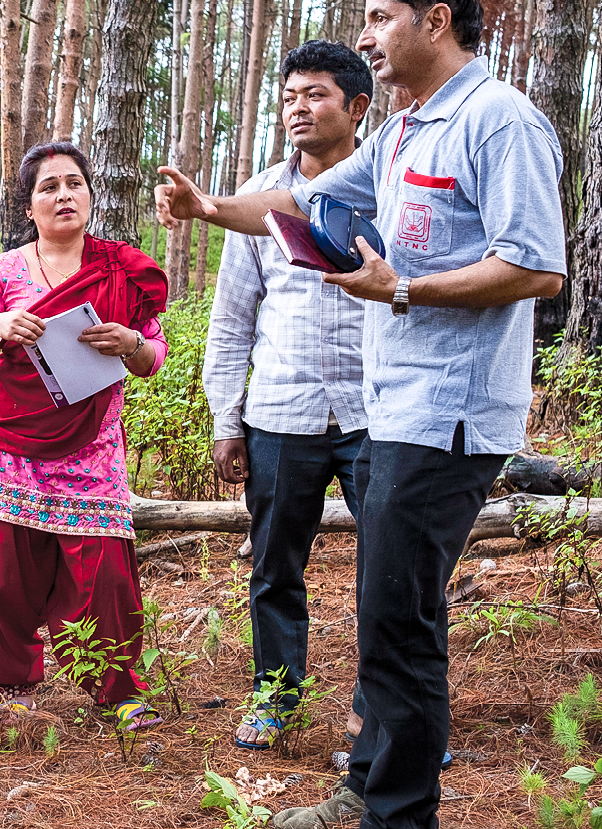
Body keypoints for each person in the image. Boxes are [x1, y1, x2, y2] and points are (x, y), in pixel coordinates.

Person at [157, 0, 565, 829]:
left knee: (398, 616)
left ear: (435, 20)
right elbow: (294, 208)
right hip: (398, 407)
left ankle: (396, 812)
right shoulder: (407, 130)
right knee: (388, 608)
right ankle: (368, 787)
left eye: (379, 18)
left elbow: (535, 267)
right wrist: (205, 208)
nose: (365, 38)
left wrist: (404, 288)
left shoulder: (500, 122)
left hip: (451, 412)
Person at [0, 141, 169, 726]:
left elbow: (154, 355)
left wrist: (130, 343)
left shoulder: (121, 267)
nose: (64, 195)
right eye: (48, 187)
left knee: (102, 569)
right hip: (12, 440)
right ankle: (8, 678)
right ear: (29, 206)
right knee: (6, 567)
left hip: (91, 440)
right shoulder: (6, 269)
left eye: (74, 183)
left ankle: (116, 688)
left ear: (91, 196)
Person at [202, 40, 372, 750]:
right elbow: (231, 313)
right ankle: (274, 695)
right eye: (287, 97)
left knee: (391, 567)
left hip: (377, 410)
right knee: (275, 565)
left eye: (315, 95)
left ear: (357, 105)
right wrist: (224, 417)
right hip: (279, 410)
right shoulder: (256, 201)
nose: (297, 109)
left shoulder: (386, 187)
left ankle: (384, 709)